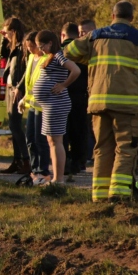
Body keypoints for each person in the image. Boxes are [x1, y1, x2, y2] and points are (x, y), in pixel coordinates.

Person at [65, 0, 138, 202]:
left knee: (102, 149)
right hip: (127, 104)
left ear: (112, 16)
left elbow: (68, 52)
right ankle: (119, 195)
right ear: (131, 18)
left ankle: (99, 196)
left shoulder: (96, 35)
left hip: (98, 102)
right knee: (125, 147)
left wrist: (88, 57)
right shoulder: (137, 37)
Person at [32, 30, 80, 185]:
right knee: (51, 140)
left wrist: (63, 85)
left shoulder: (59, 55)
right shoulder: (50, 57)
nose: (40, 49)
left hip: (56, 103)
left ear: (50, 43)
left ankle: (58, 179)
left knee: (56, 141)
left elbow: (76, 70)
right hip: (49, 104)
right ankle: (56, 178)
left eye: (42, 45)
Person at [17, 31, 51, 183]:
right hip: (32, 104)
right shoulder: (31, 58)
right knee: (30, 138)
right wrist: (23, 99)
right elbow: (29, 83)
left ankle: (43, 171)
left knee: (40, 140)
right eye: (27, 47)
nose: (30, 49)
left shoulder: (47, 58)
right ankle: (33, 169)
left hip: (42, 106)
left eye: (32, 46)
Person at [0, 16, 30, 174]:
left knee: (15, 126)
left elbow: (27, 70)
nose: (5, 34)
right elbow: (1, 56)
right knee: (13, 126)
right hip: (10, 87)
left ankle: (25, 160)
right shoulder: (11, 47)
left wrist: (20, 87)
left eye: (7, 31)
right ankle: (17, 161)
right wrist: (4, 41)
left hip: (17, 88)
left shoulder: (23, 47)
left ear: (14, 31)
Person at [60, 22, 89, 176]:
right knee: (79, 131)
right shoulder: (84, 50)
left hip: (62, 94)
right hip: (81, 96)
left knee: (63, 131)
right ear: (77, 35)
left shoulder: (59, 50)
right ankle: (78, 163)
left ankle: (64, 163)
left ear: (63, 35)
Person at [78, 18, 97, 161]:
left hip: (96, 94)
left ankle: (89, 155)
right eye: (79, 32)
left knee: (92, 127)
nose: (81, 35)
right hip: (85, 93)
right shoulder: (81, 49)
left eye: (84, 32)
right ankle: (87, 155)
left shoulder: (98, 48)